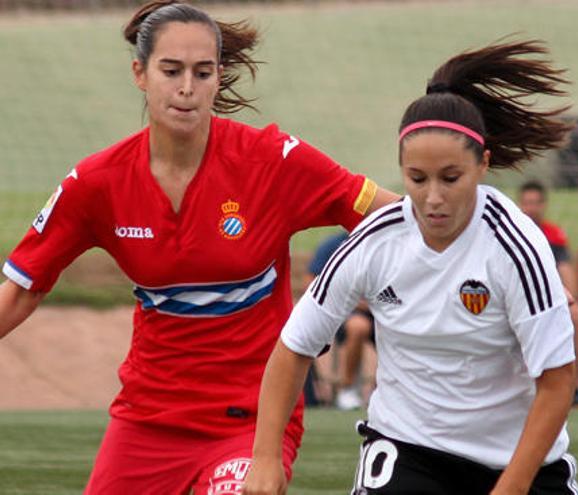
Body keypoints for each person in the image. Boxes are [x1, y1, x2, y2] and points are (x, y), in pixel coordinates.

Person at [0, 1, 397, 493]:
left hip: (250, 422)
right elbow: (20, 291)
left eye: (202, 72)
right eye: (171, 71)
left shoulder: (272, 160)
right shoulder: (96, 184)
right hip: (146, 420)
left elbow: (391, 214)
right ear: (139, 74)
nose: (187, 88)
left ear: (218, 77)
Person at [244, 40, 578, 495]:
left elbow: (557, 382)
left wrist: (510, 488)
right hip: (407, 449)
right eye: (417, 179)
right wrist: (264, 458)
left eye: (450, 178)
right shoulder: (373, 241)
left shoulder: (516, 248)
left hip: (517, 463)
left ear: (482, 165)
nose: (433, 198)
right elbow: (293, 347)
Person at [518, 179, 578, 406]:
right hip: (518, 301)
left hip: (548, 300)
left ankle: (575, 386)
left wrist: (571, 299)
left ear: (544, 205)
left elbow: (565, 270)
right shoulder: (513, 230)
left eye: (535, 203)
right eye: (526, 203)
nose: (531, 208)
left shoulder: (553, 235)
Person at [304, 230, 376, 409]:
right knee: (358, 326)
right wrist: (354, 302)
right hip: (345, 311)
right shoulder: (334, 244)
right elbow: (311, 280)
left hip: (384, 310)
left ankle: (384, 390)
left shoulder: (380, 241)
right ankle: (347, 389)